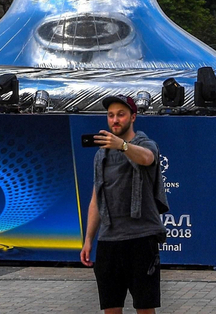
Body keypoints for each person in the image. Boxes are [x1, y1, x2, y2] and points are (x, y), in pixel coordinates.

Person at [81, 95, 165, 314]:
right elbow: (96, 200)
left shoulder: (145, 143)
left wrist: (123, 146)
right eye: (110, 115)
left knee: (145, 308)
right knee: (110, 308)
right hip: (109, 241)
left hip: (141, 238)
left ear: (133, 117)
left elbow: (147, 158)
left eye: (121, 115)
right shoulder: (101, 155)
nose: (115, 120)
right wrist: (88, 240)